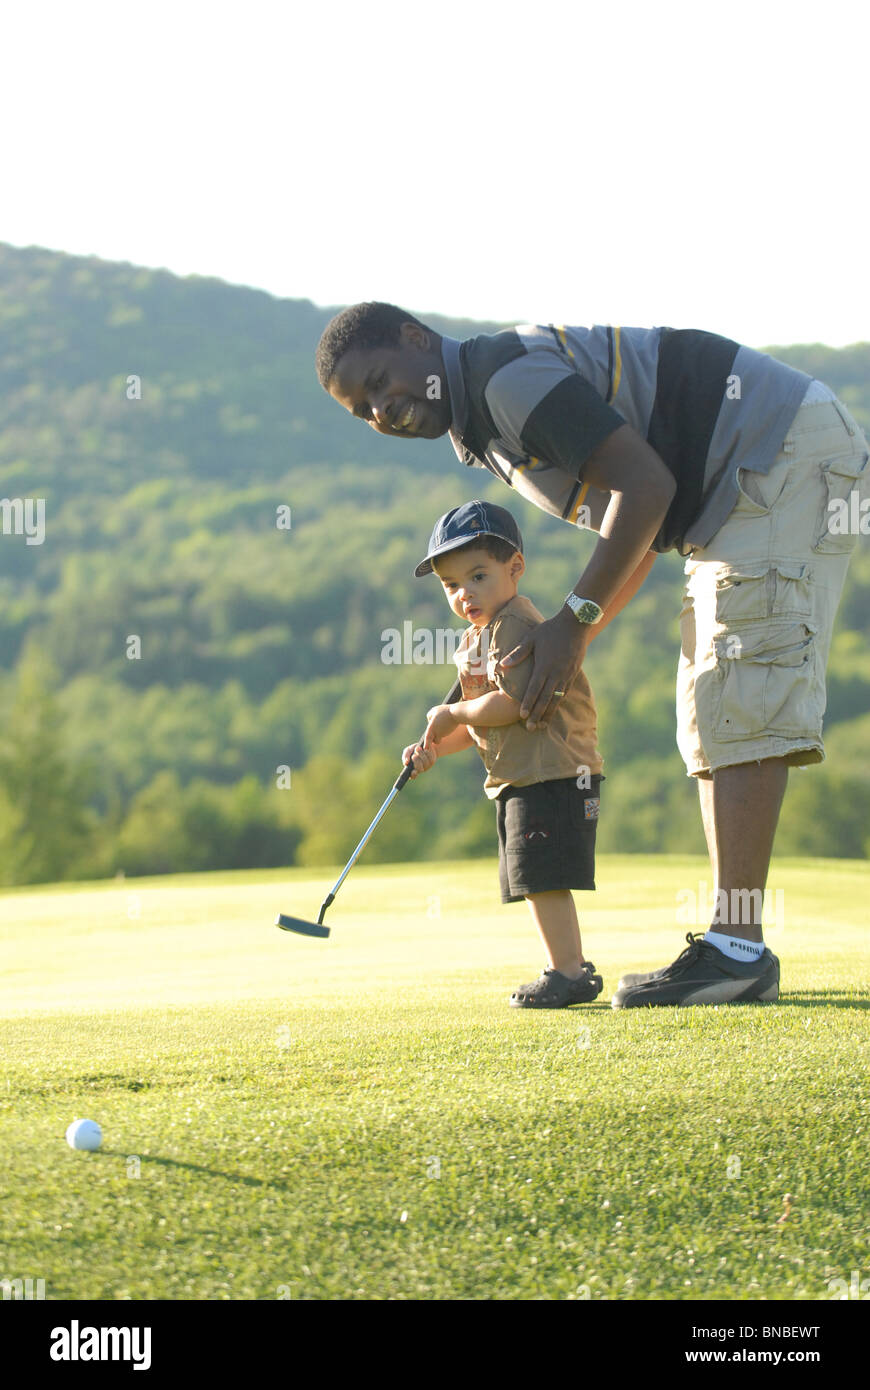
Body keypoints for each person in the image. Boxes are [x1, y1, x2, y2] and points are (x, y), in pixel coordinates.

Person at [316, 303, 868, 1008]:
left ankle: (738, 953)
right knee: (710, 705)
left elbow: (649, 487)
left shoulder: (502, 387)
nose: (382, 409)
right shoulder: (484, 423)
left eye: (382, 381)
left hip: (779, 452)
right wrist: (571, 640)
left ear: (417, 340)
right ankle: (735, 947)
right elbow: (639, 520)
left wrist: (573, 625)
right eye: (362, 409)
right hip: (735, 493)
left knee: (736, 687)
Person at [402, 498, 606, 1009]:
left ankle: (568, 972)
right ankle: (568, 968)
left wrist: (453, 714)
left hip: (552, 773)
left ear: (514, 568)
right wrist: (433, 747)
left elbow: (512, 704)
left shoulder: (514, 624)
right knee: (535, 877)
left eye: (477, 576)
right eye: (451, 585)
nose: (463, 593)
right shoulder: (482, 635)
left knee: (543, 878)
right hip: (524, 775)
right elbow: (479, 725)